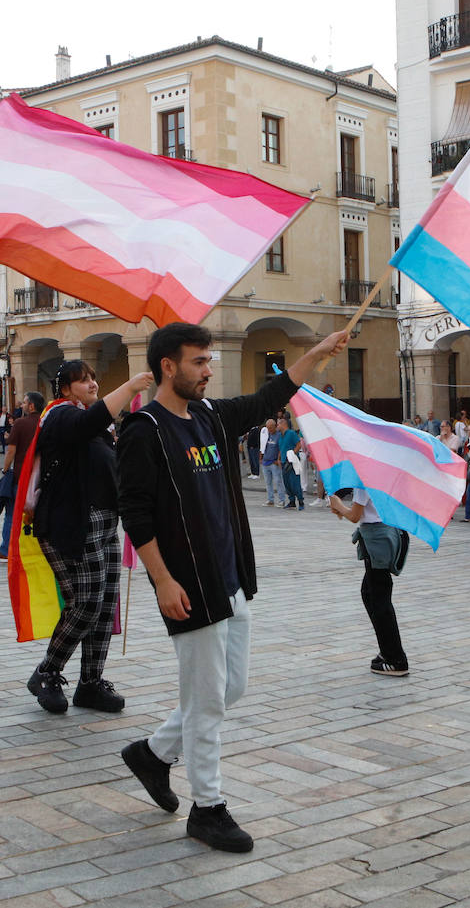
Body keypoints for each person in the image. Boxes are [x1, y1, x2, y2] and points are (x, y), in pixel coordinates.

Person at [117, 322, 347, 853]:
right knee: (206, 702)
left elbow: (273, 392)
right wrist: (163, 580)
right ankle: (208, 807)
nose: (208, 370)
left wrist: (314, 352)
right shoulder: (145, 430)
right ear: (168, 367)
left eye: (209, 360)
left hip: (229, 579)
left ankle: (153, 754)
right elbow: (136, 514)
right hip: (187, 586)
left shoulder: (210, 416)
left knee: (228, 688)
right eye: (199, 361)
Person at [26, 361, 154, 715]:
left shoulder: (95, 424)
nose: (92, 384)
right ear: (65, 389)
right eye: (83, 380)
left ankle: (91, 683)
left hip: (104, 522)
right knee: (85, 604)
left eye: (94, 378)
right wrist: (129, 388)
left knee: (103, 606)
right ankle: (47, 673)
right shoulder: (60, 416)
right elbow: (90, 421)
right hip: (70, 525)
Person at [330, 489, 409, 677]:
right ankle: (388, 650)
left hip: (378, 538)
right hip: (385, 535)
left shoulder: (364, 478)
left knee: (379, 599)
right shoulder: (381, 472)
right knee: (369, 593)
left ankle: (396, 659)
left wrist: (338, 504)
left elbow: (355, 515)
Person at [0, 391, 44, 563]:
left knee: (12, 513)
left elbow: (11, 451)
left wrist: (5, 469)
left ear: (31, 406)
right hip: (41, 476)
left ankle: (6, 550)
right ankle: (39, 549)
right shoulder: (46, 423)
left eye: (24, 403)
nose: (21, 406)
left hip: (21, 475)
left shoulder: (21, 423)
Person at [276, 417, 305, 511]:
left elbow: (298, 444)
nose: (277, 426)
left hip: (292, 462)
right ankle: (292, 501)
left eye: (278, 424)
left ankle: (301, 501)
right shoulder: (280, 436)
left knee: (294, 482)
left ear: (283, 424)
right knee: (287, 483)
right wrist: (279, 458)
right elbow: (281, 448)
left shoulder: (291, 433)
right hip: (284, 462)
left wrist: (293, 454)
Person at [260, 420, 283, 506]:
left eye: (271, 428)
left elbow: (280, 448)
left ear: (275, 426)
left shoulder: (279, 435)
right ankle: (270, 499)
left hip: (274, 462)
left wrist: (278, 459)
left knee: (278, 481)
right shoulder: (266, 434)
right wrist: (261, 458)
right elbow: (262, 446)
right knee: (268, 482)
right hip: (266, 461)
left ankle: (281, 499)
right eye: (268, 428)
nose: (269, 430)